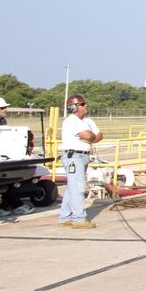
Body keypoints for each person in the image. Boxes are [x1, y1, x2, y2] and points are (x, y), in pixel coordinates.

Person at [58, 94, 102, 229]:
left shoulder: (87, 121)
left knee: (72, 187)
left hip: (83, 155)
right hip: (74, 157)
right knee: (77, 187)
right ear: (74, 107)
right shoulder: (71, 121)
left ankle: (65, 216)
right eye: (83, 104)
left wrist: (88, 138)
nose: (86, 106)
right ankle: (79, 218)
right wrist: (89, 136)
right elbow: (90, 135)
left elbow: (98, 136)